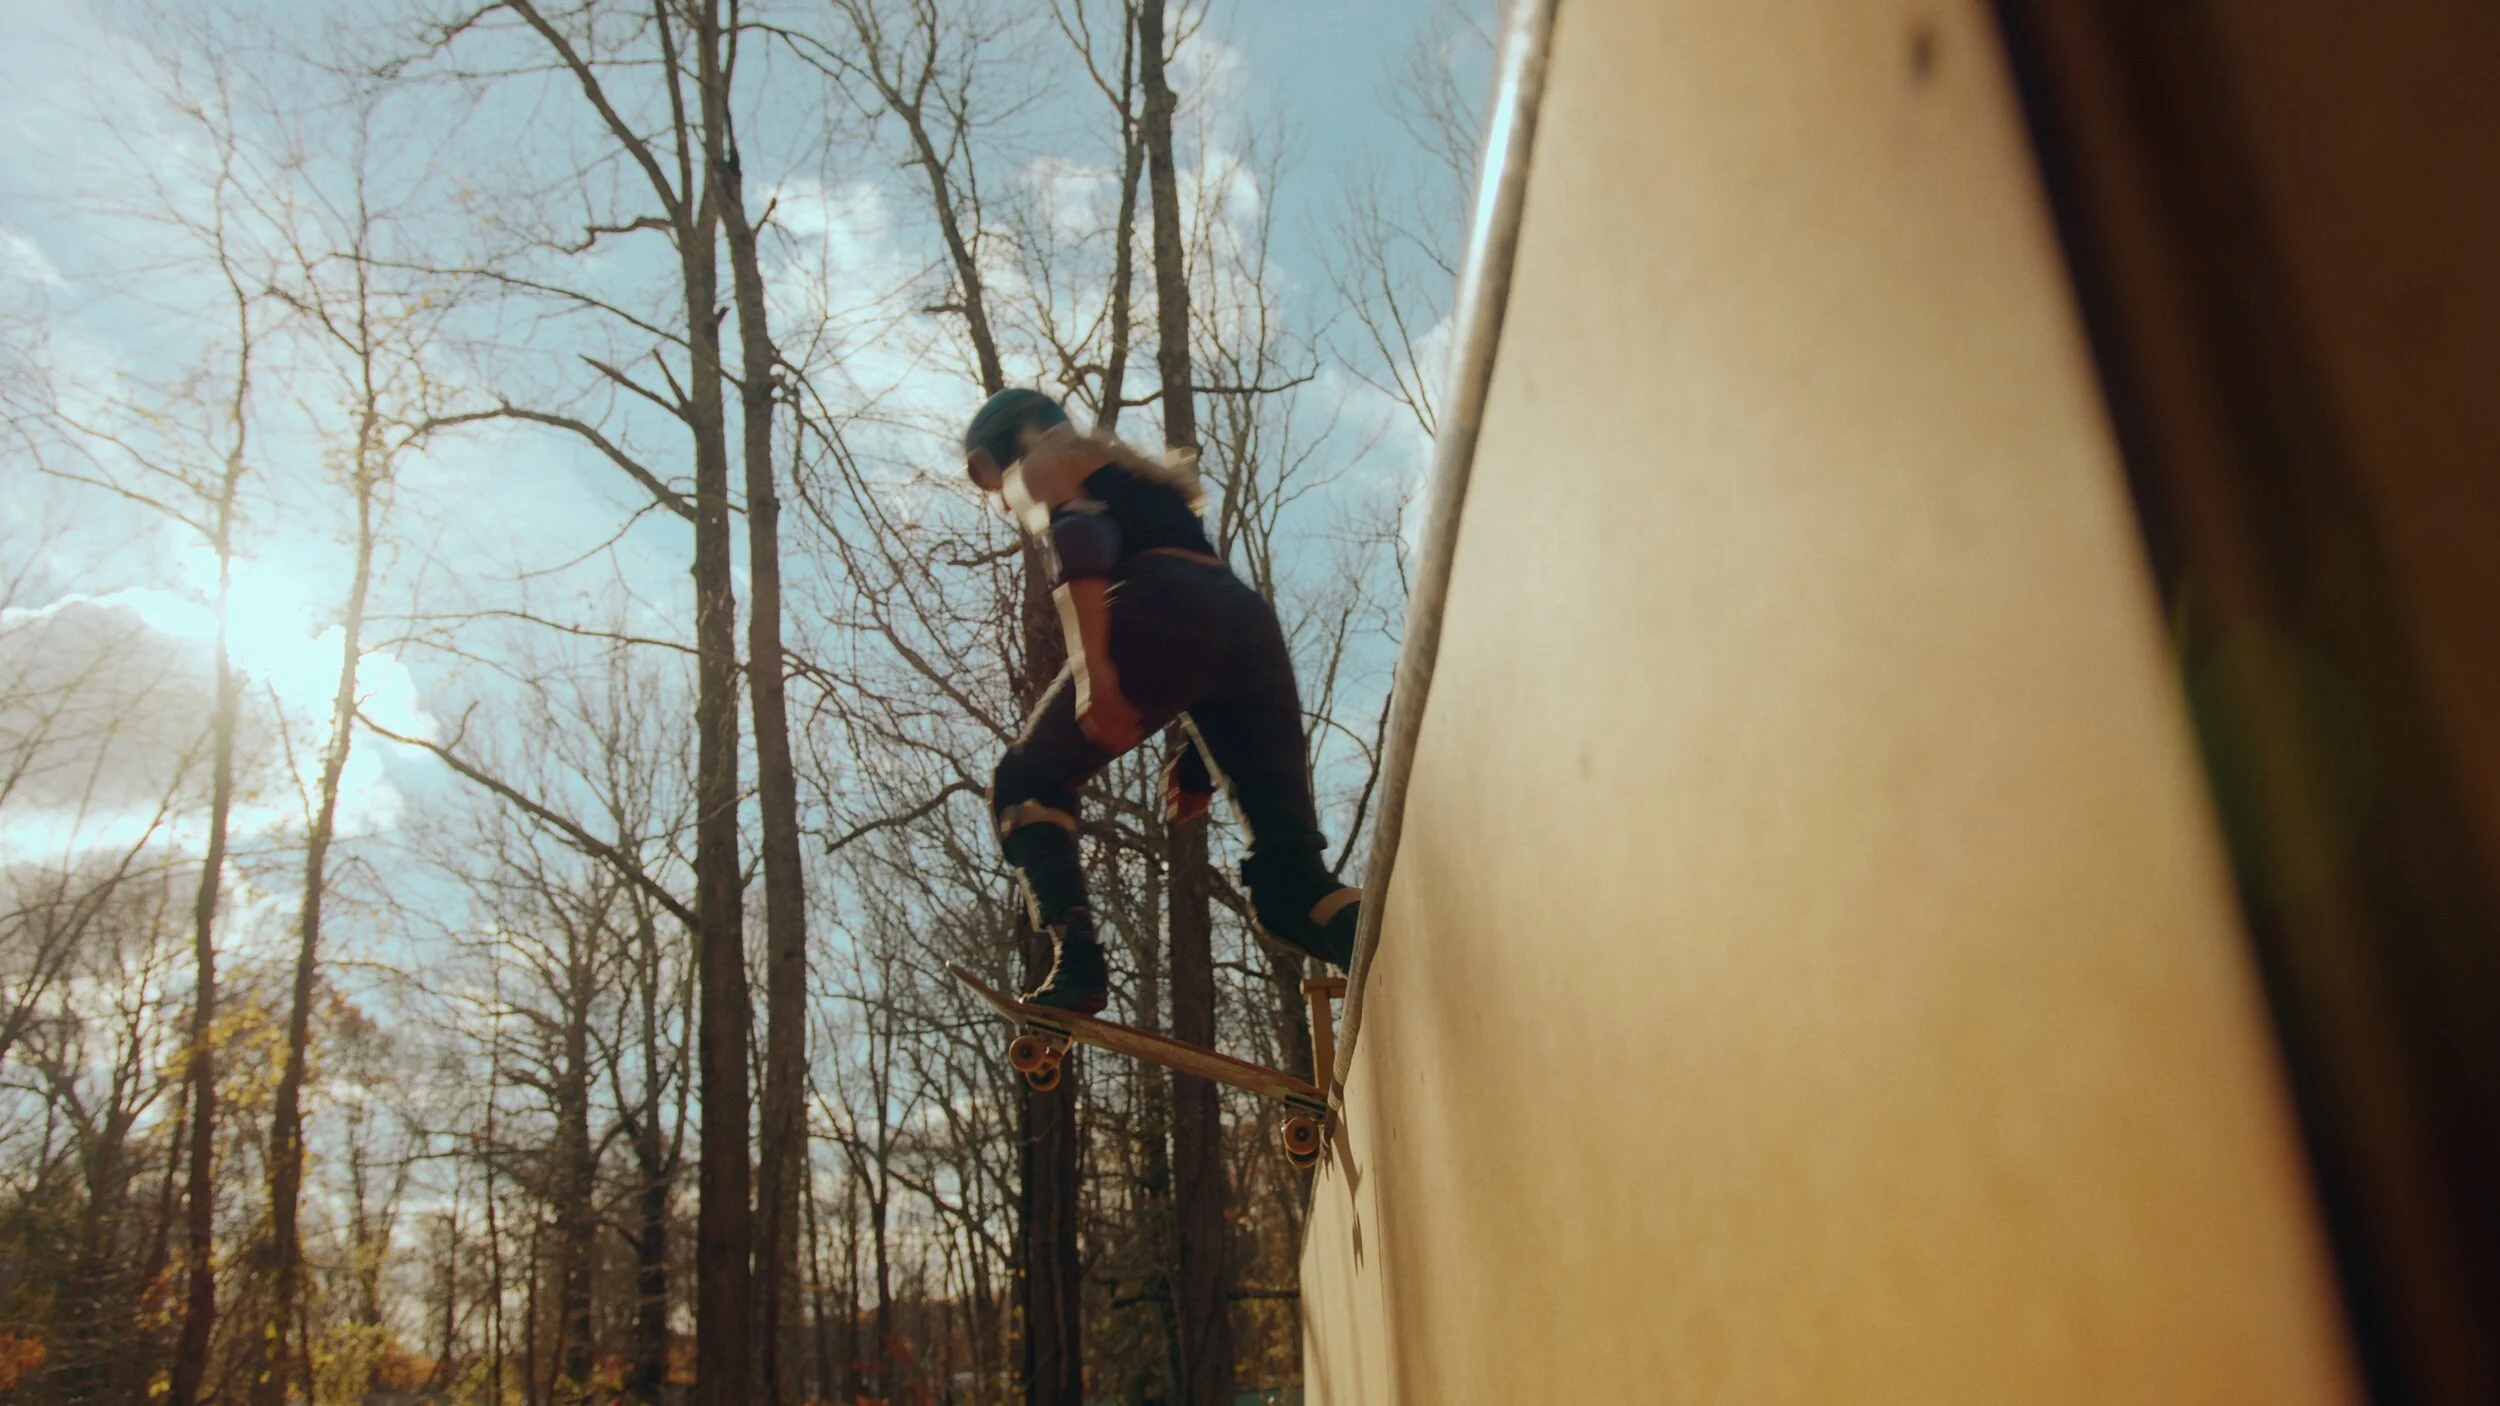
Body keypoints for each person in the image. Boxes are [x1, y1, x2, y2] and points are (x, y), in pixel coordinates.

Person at [964, 388, 1360, 1013]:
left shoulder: (1041, 459)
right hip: (1246, 623)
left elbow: (1084, 538)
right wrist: (1197, 761)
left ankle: (1078, 965)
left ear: (1002, 445)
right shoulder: (1140, 478)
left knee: (1024, 783)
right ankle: (1384, 947)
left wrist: (1093, 670)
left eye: (993, 483)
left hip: (1162, 602)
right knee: (1289, 888)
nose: (1004, 498)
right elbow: (1206, 629)